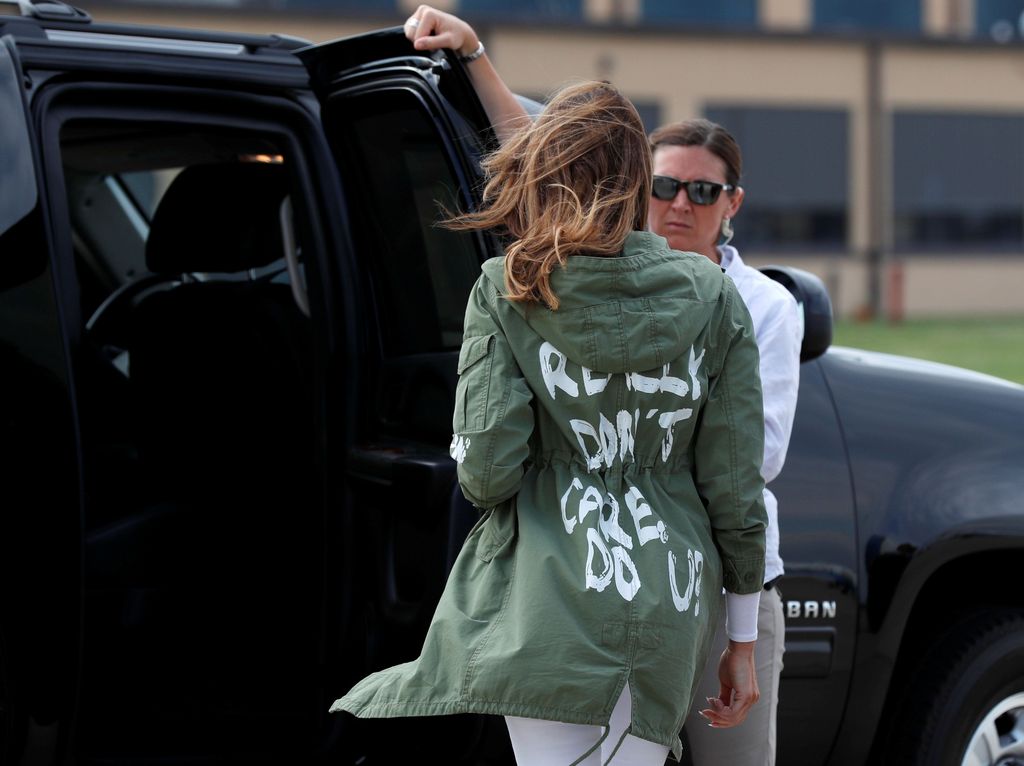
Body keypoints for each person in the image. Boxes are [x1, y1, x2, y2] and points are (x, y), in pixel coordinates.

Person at [331, 8, 769, 765]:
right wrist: (742, 641)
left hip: (549, 603)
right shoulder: (714, 295)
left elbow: (487, 470)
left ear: (543, 172)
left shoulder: (507, 289)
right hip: (671, 596)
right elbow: (734, 485)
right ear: (638, 176)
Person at [649, 120, 801, 766]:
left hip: (726, 586)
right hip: (628, 580)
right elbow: (548, 149)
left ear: (732, 202)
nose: (680, 204)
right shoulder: (601, 285)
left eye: (702, 191)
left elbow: (758, 456)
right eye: (664, 185)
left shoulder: (765, 306)